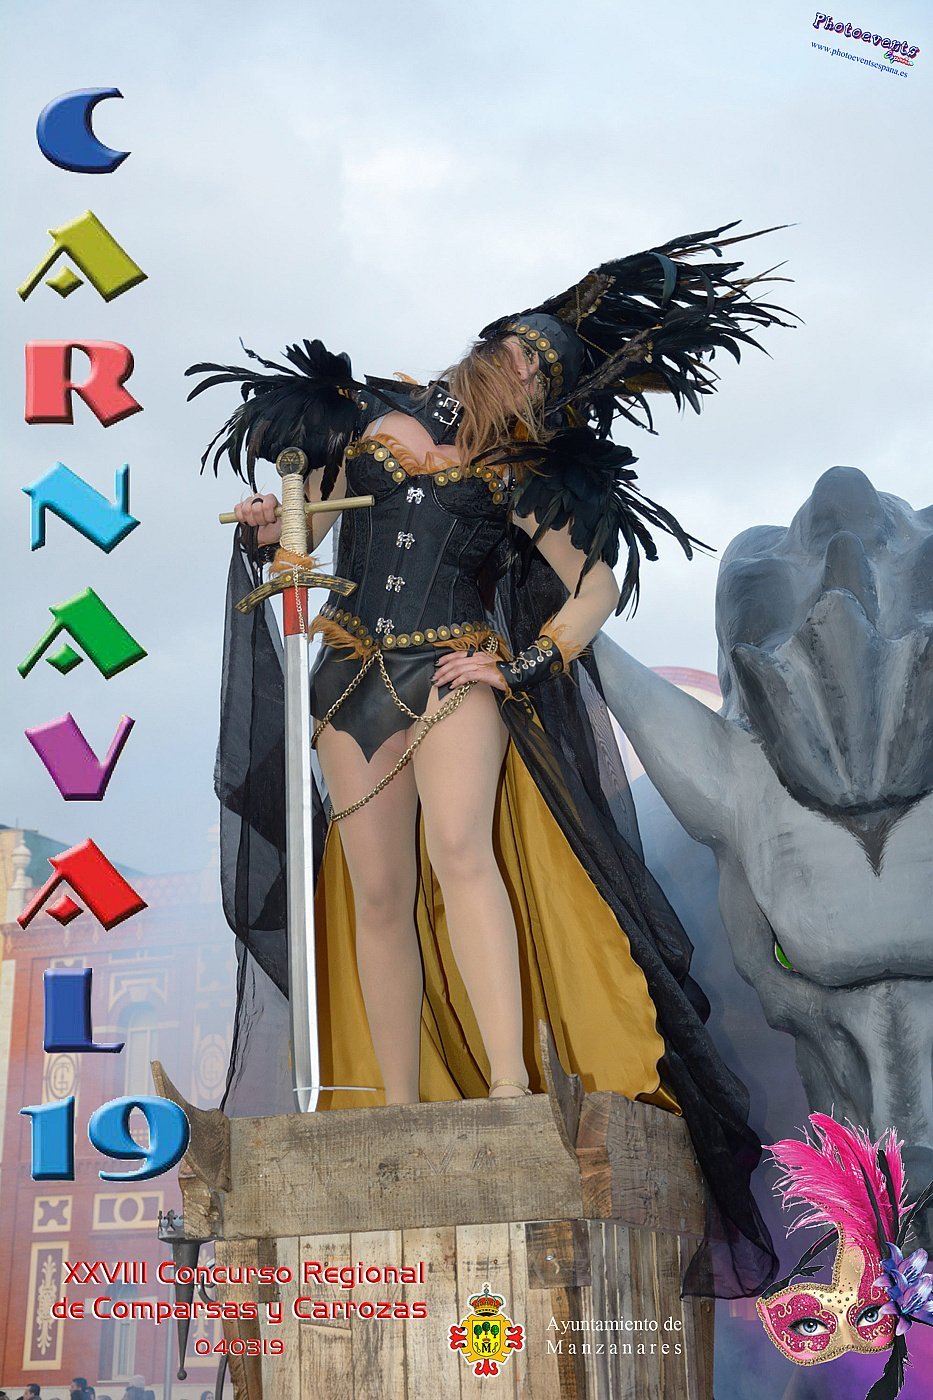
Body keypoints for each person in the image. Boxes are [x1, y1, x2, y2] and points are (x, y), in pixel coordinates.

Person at [190, 221, 792, 1297]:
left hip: (450, 672)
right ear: (488, 341)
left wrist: (526, 657)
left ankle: (510, 1089)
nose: (520, 368)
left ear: (548, 397)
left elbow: (597, 582)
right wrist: (265, 530)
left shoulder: (522, 472)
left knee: (463, 857)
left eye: (539, 372)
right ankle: (401, 1105)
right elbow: (302, 541)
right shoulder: (367, 415)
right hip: (348, 673)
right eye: (515, 348)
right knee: (377, 892)